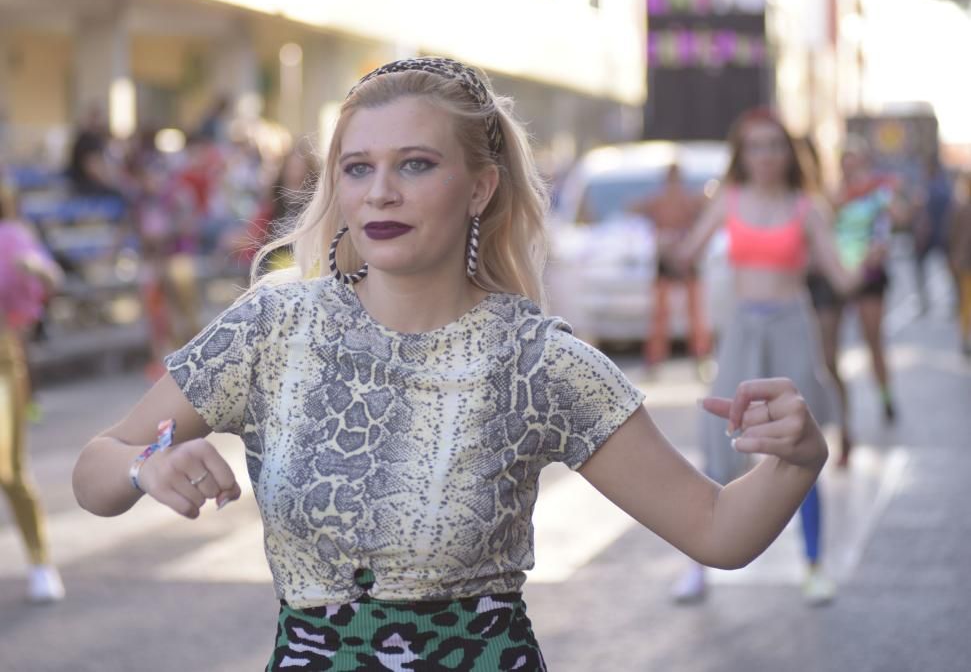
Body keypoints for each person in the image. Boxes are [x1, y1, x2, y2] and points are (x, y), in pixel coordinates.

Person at [73, 58, 830, 669]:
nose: (381, 193)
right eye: (358, 168)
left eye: (415, 164)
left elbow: (715, 530)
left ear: (480, 187)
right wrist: (146, 467)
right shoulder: (272, 328)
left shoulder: (539, 360)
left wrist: (797, 459)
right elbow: (95, 468)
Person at [664, 107, 871, 606]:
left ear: (788, 153)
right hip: (742, 330)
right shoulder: (727, 201)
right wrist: (668, 241)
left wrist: (870, 258)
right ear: (743, 154)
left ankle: (815, 565)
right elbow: (685, 255)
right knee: (717, 441)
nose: (766, 156)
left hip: (791, 327)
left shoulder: (806, 208)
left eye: (775, 145)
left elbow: (842, 279)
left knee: (798, 445)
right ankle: (698, 566)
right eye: (755, 146)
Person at [806, 136, 905, 467]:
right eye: (844, 161)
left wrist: (887, 231)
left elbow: (896, 218)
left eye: (855, 161)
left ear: (862, 162)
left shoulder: (877, 191)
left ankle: (885, 394)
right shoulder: (830, 196)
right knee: (828, 356)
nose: (849, 167)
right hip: (833, 276)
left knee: (872, 340)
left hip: (869, 276)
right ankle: (844, 424)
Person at [0, 184, 66, 603]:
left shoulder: (11, 235)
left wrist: (35, 270)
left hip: (3, 359)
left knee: (9, 468)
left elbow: (51, 275)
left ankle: (40, 561)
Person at [631, 163, 711, 370]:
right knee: (662, 311)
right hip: (671, 258)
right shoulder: (662, 200)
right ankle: (656, 357)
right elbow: (635, 208)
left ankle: (698, 355)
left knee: (691, 311)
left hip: (683, 257)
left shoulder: (684, 199)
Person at [914, 158, 954, 314]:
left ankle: (925, 303)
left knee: (922, 269)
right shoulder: (947, 187)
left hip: (931, 236)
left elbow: (923, 215)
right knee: (949, 269)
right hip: (943, 235)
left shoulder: (928, 189)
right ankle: (952, 303)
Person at [949, 171, 971, 358]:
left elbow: (953, 235)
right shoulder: (961, 208)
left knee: (965, 302)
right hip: (965, 263)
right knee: (965, 301)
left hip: (963, 262)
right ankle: (965, 337)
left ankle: (966, 337)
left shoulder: (961, 207)